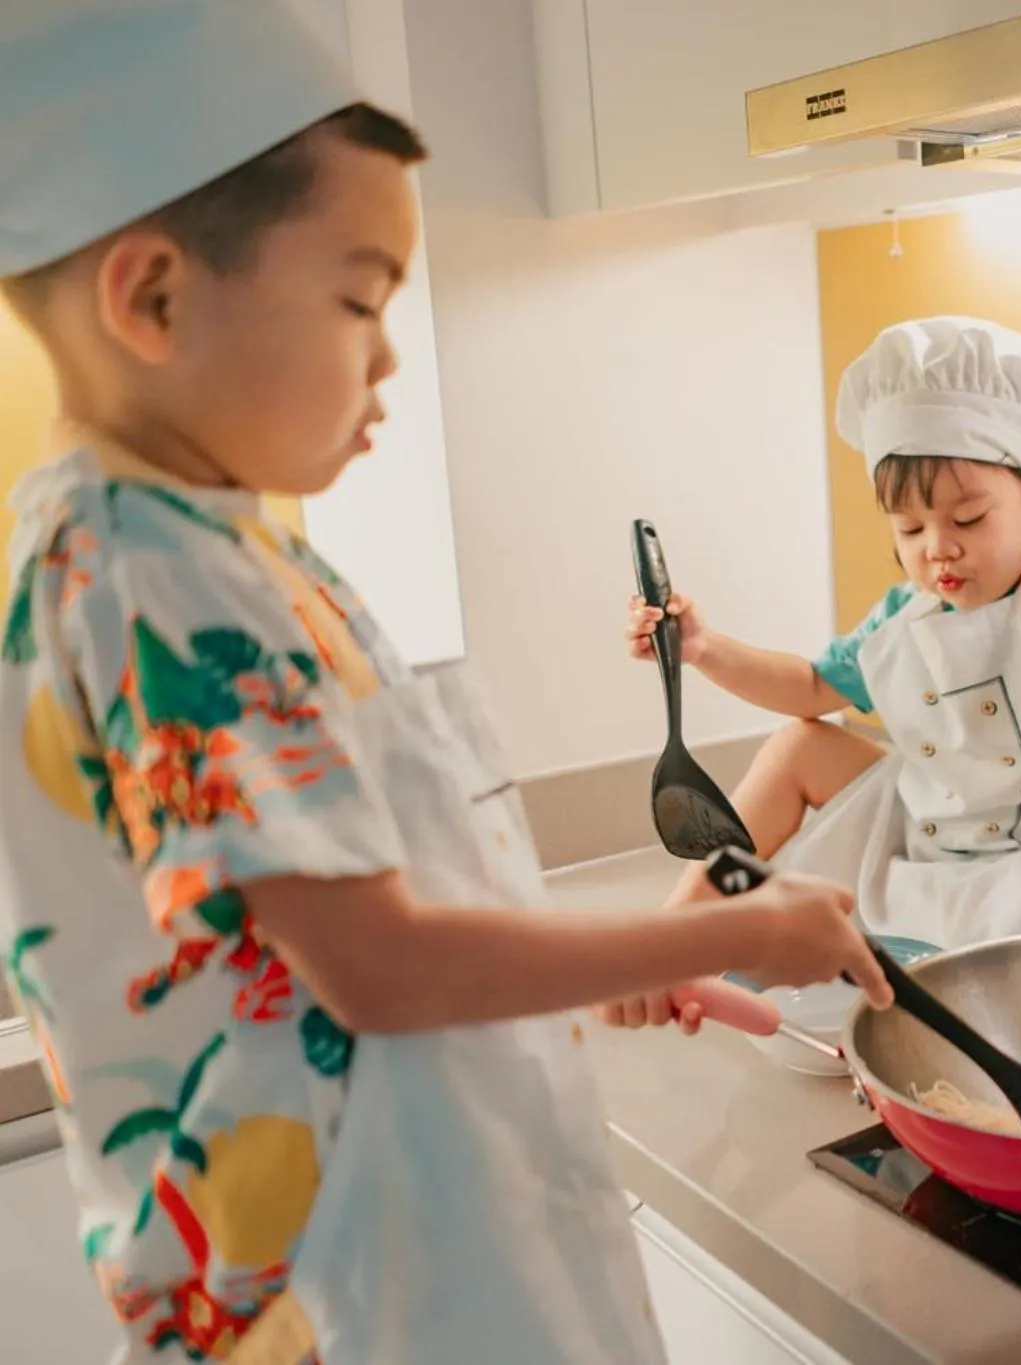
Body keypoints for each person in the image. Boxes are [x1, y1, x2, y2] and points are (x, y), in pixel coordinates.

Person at [0, 4, 886, 1363]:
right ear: (154, 295)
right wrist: (729, 930)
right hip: (360, 1295)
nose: (389, 355)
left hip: (410, 1251)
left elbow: (357, 922)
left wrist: (593, 970)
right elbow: (380, 965)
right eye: (360, 298)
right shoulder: (147, 574)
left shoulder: (198, 539)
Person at [617, 315, 1021, 994]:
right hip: (938, 829)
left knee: (1000, 990)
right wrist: (703, 648)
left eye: (967, 519)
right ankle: (675, 936)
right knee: (801, 743)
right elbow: (808, 686)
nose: (937, 546)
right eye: (910, 527)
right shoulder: (903, 618)